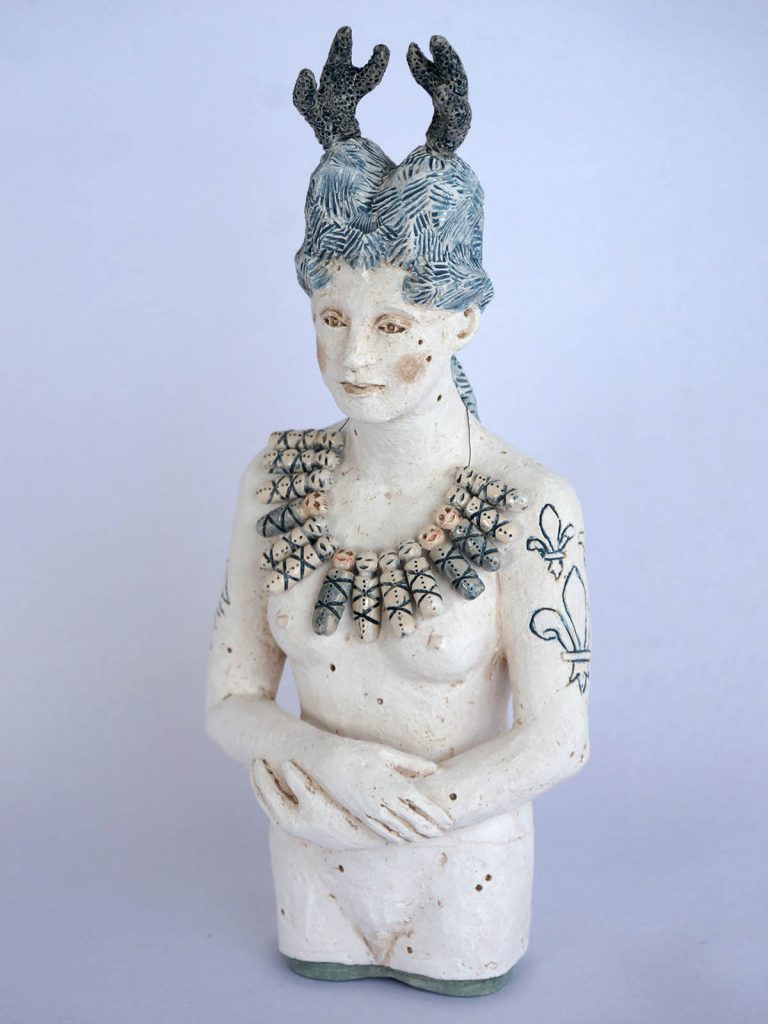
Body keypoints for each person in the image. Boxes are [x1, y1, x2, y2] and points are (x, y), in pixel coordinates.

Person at [207, 28, 590, 997]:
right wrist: (327, 764)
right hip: (308, 853)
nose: (356, 359)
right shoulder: (273, 480)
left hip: (463, 865)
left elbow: (559, 736)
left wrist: (388, 810)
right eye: (332, 319)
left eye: (393, 324)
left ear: (462, 322)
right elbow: (230, 701)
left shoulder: (527, 504)